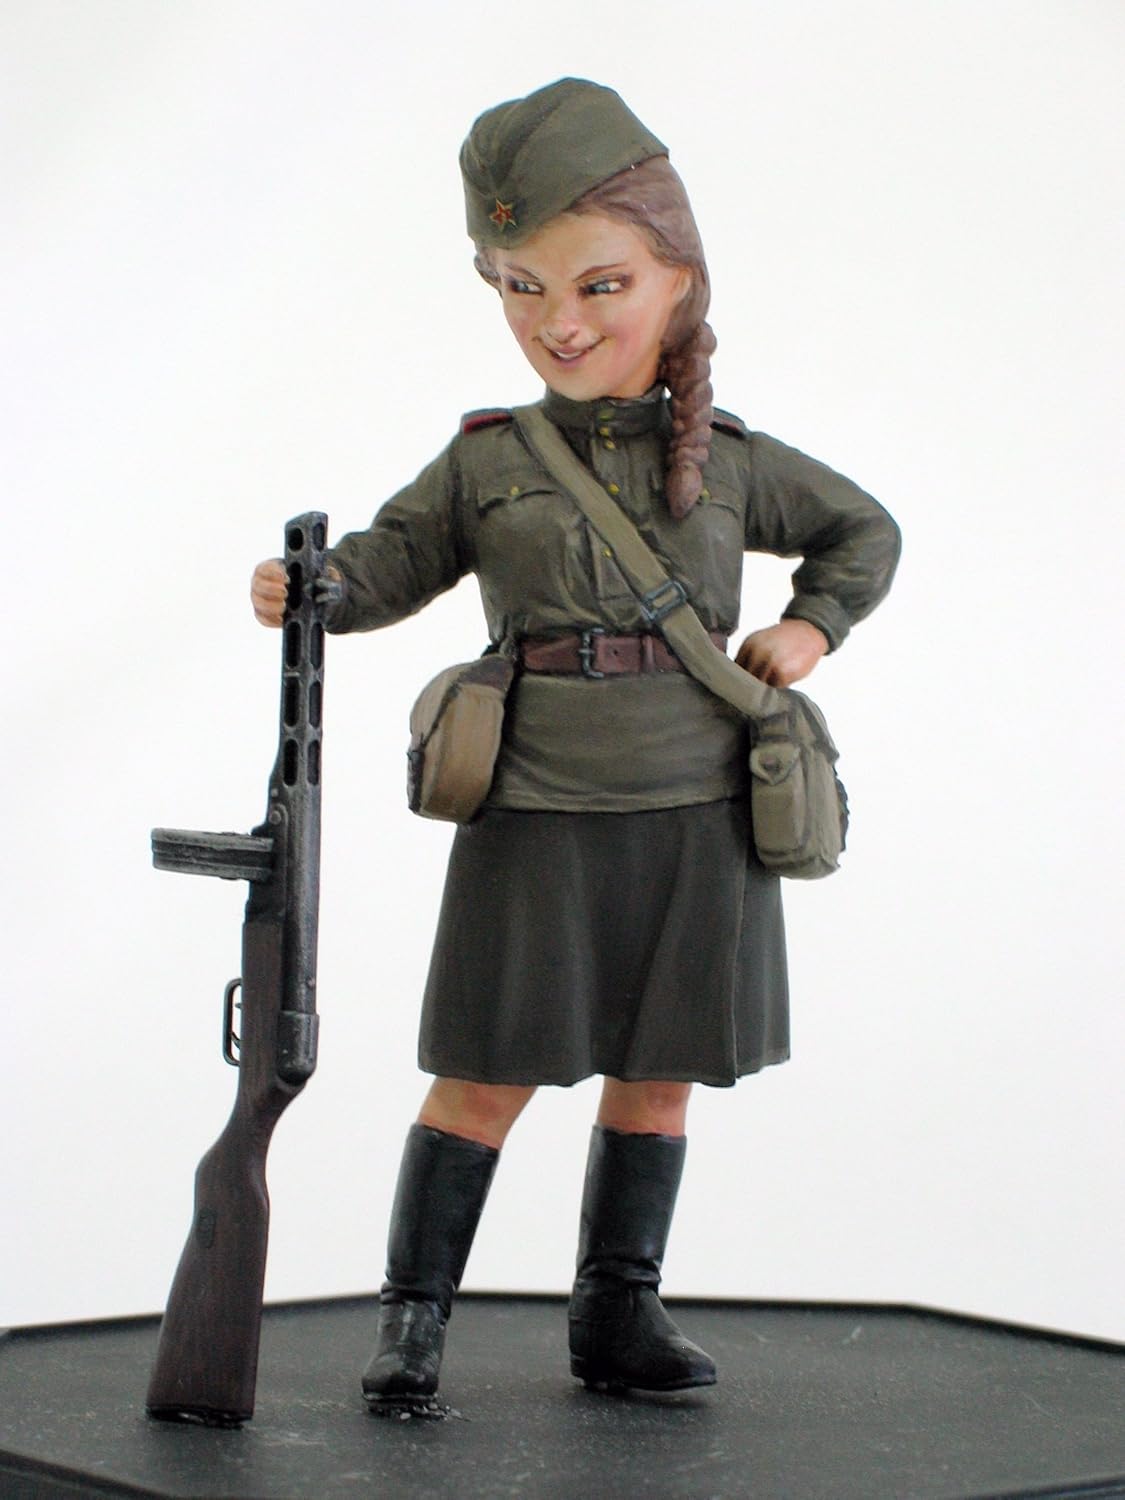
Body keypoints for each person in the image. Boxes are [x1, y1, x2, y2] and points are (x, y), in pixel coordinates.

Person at [251, 78, 900, 1408]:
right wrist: (314, 588)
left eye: (602, 285)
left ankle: (618, 1313)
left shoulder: (729, 458)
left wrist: (810, 628)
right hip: (536, 802)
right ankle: (414, 1322)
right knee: (481, 1075)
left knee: (658, 1079)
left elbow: (862, 530)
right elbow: (387, 565)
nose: (558, 322)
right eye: (521, 287)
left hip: (696, 804)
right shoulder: (488, 460)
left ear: (678, 279)